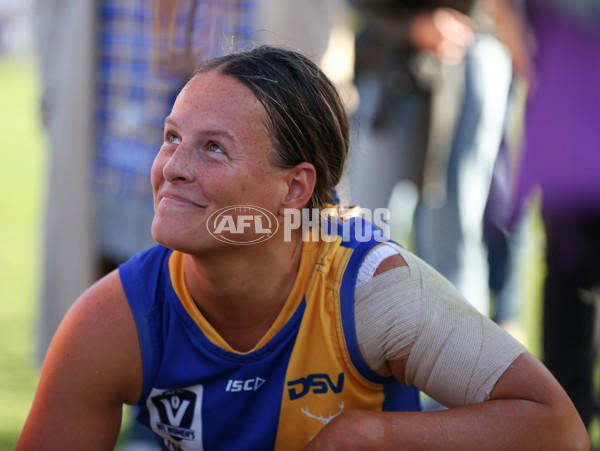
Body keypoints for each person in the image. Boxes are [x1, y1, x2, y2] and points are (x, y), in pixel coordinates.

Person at [16, 45, 588, 450]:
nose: (172, 170)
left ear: (296, 188)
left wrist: (371, 436)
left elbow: (556, 429)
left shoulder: (374, 289)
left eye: (212, 148)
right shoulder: (115, 319)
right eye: (172, 138)